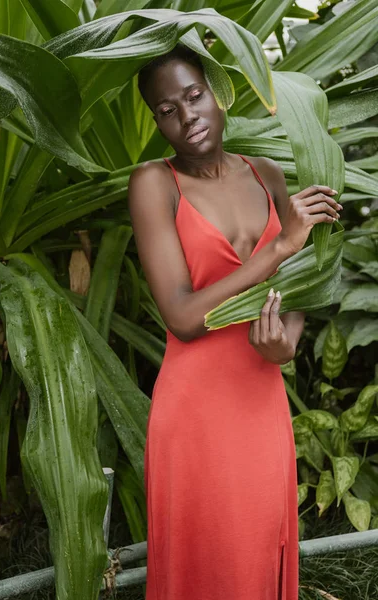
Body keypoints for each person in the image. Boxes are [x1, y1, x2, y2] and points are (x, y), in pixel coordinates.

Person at [128, 44, 342, 600]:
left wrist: (286, 347)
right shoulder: (155, 183)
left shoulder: (267, 174)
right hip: (195, 412)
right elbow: (181, 315)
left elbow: (295, 289)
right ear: (157, 121)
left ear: (218, 95)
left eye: (194, 96)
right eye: (166, 109)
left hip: (261, 403)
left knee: (253, 565)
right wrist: (278, 247)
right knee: (205, 569)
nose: (186, 116)